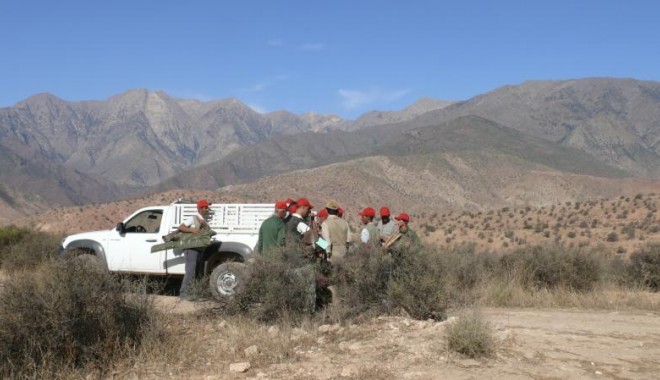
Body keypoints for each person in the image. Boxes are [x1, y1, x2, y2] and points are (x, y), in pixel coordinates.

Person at [178, 199, 211, 300]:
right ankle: (183, 293)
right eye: (205, 208)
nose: (207, 209)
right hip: (191, 248)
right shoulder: (193, 218)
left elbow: (208, 231)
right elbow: (181, 227)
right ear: (200, 209)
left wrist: (205, 225)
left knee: (196, 272)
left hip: (198, 249)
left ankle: (193, 293)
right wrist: (191, 230)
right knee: (190, 271)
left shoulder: (202, 220)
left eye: (207, 207)